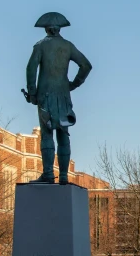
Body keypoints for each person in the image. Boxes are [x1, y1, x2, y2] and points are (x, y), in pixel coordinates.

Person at [25, 12, 92, 184]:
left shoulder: (40, 46)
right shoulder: (68, 46)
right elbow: (86, 65)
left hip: (45, 96)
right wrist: (73, 84)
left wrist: (32, 92)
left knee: (47, 134)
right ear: (59, 29)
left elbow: (31, 69)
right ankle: (63, 175)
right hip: (63, 95)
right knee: (63, 133)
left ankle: (48, 173)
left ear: (47, 29)